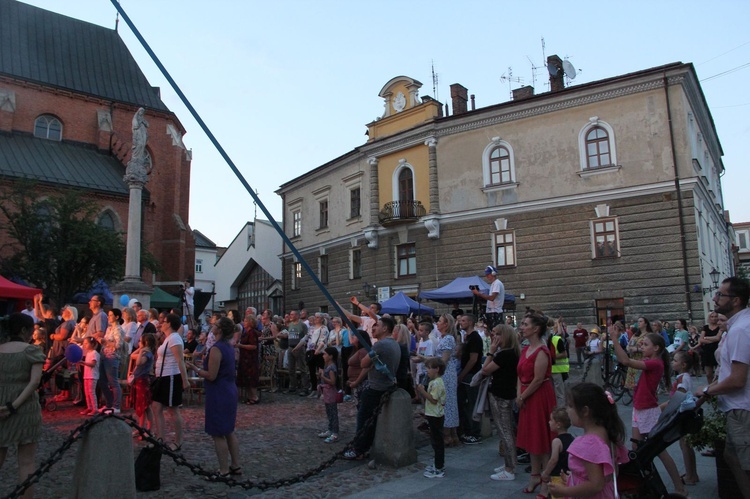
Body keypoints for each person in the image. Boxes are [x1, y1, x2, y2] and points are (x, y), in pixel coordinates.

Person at [610, 327, 686, 495]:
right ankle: (643, 484)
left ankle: (679, 487)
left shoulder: (654, 363)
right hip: (640, 409)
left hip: (646, 410)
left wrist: (615, 340)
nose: (641, 347)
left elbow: (627, 362)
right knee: (637, 450)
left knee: (658, 450)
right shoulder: (654, 362)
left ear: (656, 348)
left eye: (645, 345)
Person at [696, 277, 750, 494]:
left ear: (735, 300)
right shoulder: (738, 326)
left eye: (720, 295)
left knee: (746, 465)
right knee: (731, 455)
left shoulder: (740, 330)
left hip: (742, 409)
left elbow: (737, 380)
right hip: (737, 407)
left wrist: (707, 389)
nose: (715, 298)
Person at [548, 383, 629, 499]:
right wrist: (574, 479)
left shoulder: (588, 444)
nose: (567, 410)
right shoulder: (608, 434)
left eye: (570, 406)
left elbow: (596, 485)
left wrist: (565, 491)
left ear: (585, 411)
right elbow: (609, 474)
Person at [187, 317, 242, 477]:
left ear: (220, 330)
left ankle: (223, 469)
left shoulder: (216, 348)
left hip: (219, 393)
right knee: (229, 431)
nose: (213, 326)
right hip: (229, 390)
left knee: (218, 432)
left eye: (216, 325)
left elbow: (211, 375)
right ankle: (236, 465)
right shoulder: (229, 347)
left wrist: (195, 369)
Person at [0, 314, 46, 498]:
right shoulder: (31, 351)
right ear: (24, 330)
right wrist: (14, 406)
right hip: (25, 409)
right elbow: (34, 382)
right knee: (26, 462)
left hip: (0, 405)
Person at [343, 317, 400, 460]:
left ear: (385, 328)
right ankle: (365, 446)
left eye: (377, 326)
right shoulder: (394, 343)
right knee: (370, 420)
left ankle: (359, 449)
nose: (373, 329)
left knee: (364, 419)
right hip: (385, 385)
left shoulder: (380, 345)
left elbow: (363, 363)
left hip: (376, 388)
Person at [516, 313, 557, 494]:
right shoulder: (525, 349)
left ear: (536, 329)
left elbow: (539, 379)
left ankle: (546, 480)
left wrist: (523, 397)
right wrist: (519, 394)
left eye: (525, 324)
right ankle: (534, 475)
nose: (522, 327)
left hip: (539, 396)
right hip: (526, 394)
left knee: (543, 438)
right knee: (533, 439)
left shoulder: (542, 350)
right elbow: (519, 375)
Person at [481, 324, 520, 481]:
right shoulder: (511, 353)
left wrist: (490, 351)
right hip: (505, 393)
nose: (493, 337)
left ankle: (510, 468)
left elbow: (485, 369)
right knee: (505, 430)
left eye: (497, 334)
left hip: (501, 395)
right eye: (493, 333)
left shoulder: (505, 355)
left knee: (505, 431)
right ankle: (509, 464)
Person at [151, 313, 190, 452]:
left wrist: (185, 380)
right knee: (156, 407)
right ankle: (160, 438)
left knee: (173, 409)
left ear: (169, 324)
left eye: (164, 321)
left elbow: (180, 360)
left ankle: (178, 441)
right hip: (162, 376)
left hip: (171, 376)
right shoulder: (168, 338)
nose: (161, 323)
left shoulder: (175, 338)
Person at [664, 351, 698, 486]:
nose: (673, 362)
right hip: (684, 414)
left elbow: (679, 396)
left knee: (685, 445)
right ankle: (692, 473)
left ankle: (690, 475)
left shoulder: (682, 379)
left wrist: (663, 409)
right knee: (686, 444)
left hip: (682, 414)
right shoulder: (683, 377)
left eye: (675, 361)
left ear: (683, 365)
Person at [416, 357, 447, 479]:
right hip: (432, 414)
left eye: (429, 368)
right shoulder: (434, 382)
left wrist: (422, 391)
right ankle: (437, 464)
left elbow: (433, 399)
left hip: (436, 415)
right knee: (435, 440)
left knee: (437, 441)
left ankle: (439, 467)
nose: (427, 370)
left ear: (437, 369)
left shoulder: (437, 383)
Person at [457, 314, 483, 444]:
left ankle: (475, 433)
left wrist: (462, 374)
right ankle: (467, 430)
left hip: (471, 374)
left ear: (471, 322)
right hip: (466, 374)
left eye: (463, 320)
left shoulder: (475, 338)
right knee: (465, 403)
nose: (461, 322)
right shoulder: (466, 337)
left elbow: (473, 359)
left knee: (472, 403)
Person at [435, 313, 460, 447]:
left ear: (446, 324)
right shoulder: (444, 338)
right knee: (449, 403)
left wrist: (425, 359)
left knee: (447, 403)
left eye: (439, 321)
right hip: (448, 373)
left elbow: (443, 360)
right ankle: (453, 434)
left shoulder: (448, 339)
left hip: (446, 374)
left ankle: (447, 435)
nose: (437, 323)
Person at [540, 407, 574, 498]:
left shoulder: (557, 441)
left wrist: (546, 472)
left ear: (558, 424)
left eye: (551, 420)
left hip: (558, 476)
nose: (549, 422)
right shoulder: (572, 438)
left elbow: (553, 459)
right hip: (568, 476)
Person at [99, 308, 125, 413]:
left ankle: (116, 406)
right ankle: (109, 403)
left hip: (112, 357)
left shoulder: (118, 329)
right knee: (102, 381)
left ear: (117, 317)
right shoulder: (109, 329)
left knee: (113, 382)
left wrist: (105, 342)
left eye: (110, 315)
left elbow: (118, 345)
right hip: (104, 356)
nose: (109, 317)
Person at [130, 333, 156, 435]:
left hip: (143, 381)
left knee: (145, 406)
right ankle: (141, 428)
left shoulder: (147, 354)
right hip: (138, 381)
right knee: (140, 406)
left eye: (140, 341)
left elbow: (138, 362)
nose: (138, 343)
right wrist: (140, 349)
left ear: (146, 342)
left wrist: (141, 351)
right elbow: (132, 355)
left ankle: (149, 429)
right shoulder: (144, 351)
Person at [282, 310, 309, 395]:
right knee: (291, 369)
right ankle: (292, 387)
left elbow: (307, 336)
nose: (291, 316)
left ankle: (305, 388)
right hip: (290, 347)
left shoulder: (303, 325)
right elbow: (289, 334)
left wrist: (301, 346)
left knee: (302, 368)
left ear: (297, 316)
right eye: (290, 314)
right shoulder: (290, 325)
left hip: (299, 348)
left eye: (293, 314)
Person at [317, 347, 340, 443]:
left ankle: (335, 432)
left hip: (330, 392)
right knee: (329, 411)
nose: (323, 356)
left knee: (333, 412)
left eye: (325, 354)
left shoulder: (331, 367)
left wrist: (322, 376)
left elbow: (333, 381)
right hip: (327, 392)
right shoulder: (328, 366)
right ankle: (330, 429)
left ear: (330, 356)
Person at [237, 314, 260, 405]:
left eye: (246, 321)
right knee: (246, 378)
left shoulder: (252, 333)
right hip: (244, 358)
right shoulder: (245, 332)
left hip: (250, 359)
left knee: (251, 378)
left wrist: (241, 346)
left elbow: (253, 346)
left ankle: (254, 396)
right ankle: (249, 396)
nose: (244, 323)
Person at [347, 330, 372, 406]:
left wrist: (356, 382)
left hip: (361, 383)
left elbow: (366, 368)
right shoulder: (356, 350)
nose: (352, 337)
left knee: (361, 406)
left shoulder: (363, 351)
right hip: (356, 383)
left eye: (354, 336)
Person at [550, 320, 570, 407]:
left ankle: (561, 414)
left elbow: (564, 354)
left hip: (557, 370)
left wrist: (550, 356)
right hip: (549, 371)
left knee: (560, 394)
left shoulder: (556, 339)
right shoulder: (544, 340)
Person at [79, 337, 101, 416]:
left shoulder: (94, 353)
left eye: (86, 343)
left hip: (92, 376)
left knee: (91, 392)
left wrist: (83, 362)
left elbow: (92, 364)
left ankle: (95, 408)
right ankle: (89, 407)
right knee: (87, 392)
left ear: (92, 344)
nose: (84, 345)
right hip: (87, 375)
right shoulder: (88, 353)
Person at [699, 311, 721, 384]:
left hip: (717, 350)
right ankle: (710, 388)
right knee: (708, 374)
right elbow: (701, 339)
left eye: (715, 316)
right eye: (712, 316)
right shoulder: (705, 327)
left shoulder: (720, 327)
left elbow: (718, 338)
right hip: (707, 352)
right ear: (709, 318)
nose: (714, 318)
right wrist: (711, 340)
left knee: (719, 373)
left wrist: (706, 338)